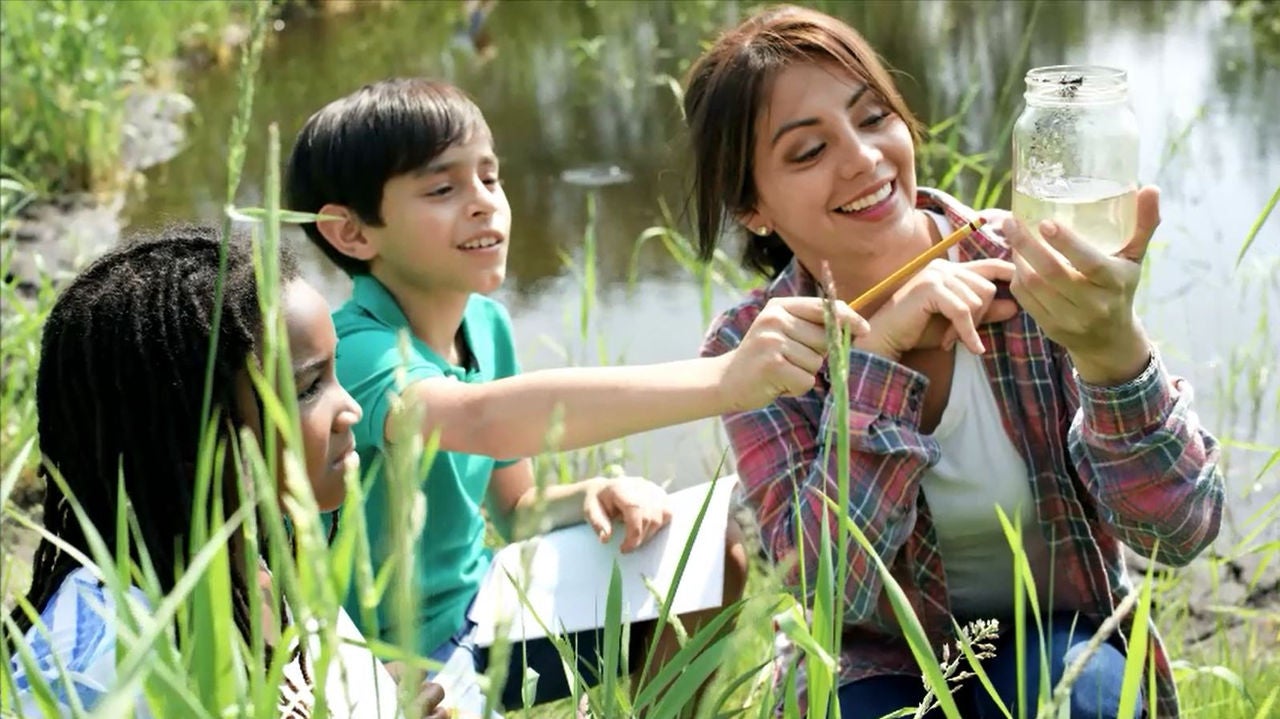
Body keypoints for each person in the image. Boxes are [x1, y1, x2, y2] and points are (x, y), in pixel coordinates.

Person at [681, 6, 1224, 719]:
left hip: (1058, 640)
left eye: (873, 117)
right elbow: (828, 590)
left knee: (1083, 698)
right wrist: (878, 360)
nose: (863, 158)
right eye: (809, 151)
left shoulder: (1028, 265)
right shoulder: (756, 345)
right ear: (752, 205)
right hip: (872, 663)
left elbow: (1178, 530)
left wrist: (1111, 349)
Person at [285, 76, 867, 715]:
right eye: (442, 189)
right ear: (351, 232)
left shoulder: (485, 325)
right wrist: (725, 380)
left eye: (490, 177)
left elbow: (516, 510)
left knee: (705, 550)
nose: (484, 204)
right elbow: (482, 420)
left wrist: (592, 492)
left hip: (481, 612)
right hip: (386, 665)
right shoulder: (355, 350)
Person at [5, 226, 449, 718]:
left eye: (333, 373)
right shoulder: (104, 670)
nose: (351, 410)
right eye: (308, 388)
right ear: (192, 437)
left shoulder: (255, 565)